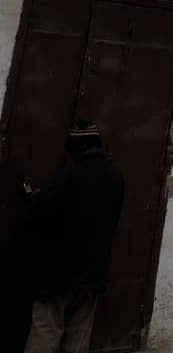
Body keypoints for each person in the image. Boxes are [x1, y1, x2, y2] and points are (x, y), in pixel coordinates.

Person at [21, 121, 125, 353]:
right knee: (79, 336)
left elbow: (45, 210)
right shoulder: (115, 177)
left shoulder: (71, 175)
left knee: (46, 330)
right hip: (94, 273)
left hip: (59, 273)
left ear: (77, 149)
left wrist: (33, 198)